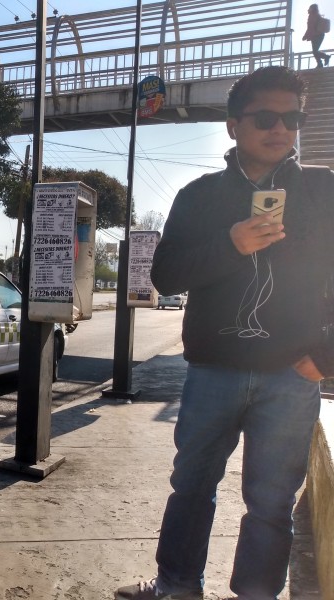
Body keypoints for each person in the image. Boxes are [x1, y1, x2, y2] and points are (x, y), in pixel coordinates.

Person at [116, 65, 334, 599]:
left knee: (271, 501)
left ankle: (256, 595)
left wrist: (327, 354)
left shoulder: (322, 188)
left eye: (292, 117)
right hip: (213, 371)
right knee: (190, 488)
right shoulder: (200, 195)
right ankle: (176, 586)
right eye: (265, 117)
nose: (280, 128)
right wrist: (230, 244)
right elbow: (165, 275)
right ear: (234, 125)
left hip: (291, 373)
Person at [303, 3, 330, 68]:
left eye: (309, 8)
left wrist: (305, 36)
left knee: (315, 51)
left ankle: (323, 59)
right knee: (315, 51)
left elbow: (310, 28)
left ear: (312, 9)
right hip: (318, 35)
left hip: (316, 35)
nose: (308, 10)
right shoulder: (316, 15)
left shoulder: (312, 16)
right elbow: (311, 28)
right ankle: (322, 61)